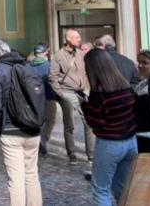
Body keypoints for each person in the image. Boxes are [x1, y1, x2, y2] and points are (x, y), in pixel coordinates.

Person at [0, 38, 43, 206]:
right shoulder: (27, 65)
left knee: (15, 180)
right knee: (32, 176)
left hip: (10, 130)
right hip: (33, 128)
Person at [80, 49, 138, 206]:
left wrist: (84, 105)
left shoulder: (99, 93)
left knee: (100, 189)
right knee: (123, 187)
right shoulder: (126, 87)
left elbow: (96, 123)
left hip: (109, 144)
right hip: (131, 142)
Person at [49, 29, 94, 164]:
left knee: (89, 122)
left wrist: (87, 87)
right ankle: (72, 154)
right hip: (67, 92)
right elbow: (52, 77)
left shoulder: (81, 54)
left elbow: (87, 72)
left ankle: (90, 154)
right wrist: (61, 94)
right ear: (68, 39)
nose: (79, 40)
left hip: (82, 92)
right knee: (69, 125)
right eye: (76, 37)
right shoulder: (58, 56)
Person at [27, 43, 56, 156]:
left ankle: (34, 140)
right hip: (48, 96)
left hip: (33, 98)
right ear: (46, 53)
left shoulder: (28, 66)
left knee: (37, 121)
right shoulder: (49, 65)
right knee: (50, 120)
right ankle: (42, 140)